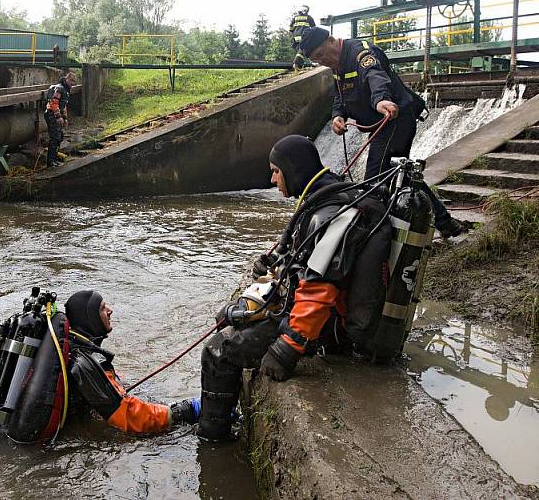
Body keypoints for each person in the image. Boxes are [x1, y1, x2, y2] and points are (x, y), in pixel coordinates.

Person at [198, 135, 393, 441]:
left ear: (293, 169)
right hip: (315, 314)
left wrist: (288, 348)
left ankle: (212, 439)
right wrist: (275, 260)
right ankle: (225, 415)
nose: (272, 178)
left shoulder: (329, 213)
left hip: (326, 327)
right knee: (229, 315)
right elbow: (307, 255)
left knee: (219, 351)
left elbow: (320, 289)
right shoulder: (325, 196)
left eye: (276, 171)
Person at [297, 27, 466, 238]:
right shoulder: (336, 64)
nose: (322, 62)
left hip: (394, 120)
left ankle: (371, 235)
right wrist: (337, 115)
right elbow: (340, 94)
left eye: (321, 55)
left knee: (373, 181)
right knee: (400, 174)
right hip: (380, 125)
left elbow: (375, 75)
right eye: (317, 60)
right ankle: (445, 222)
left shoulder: (361, 52)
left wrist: (381, 99)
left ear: (331, 40)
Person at [65, 290, 200, 434]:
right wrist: (184, 411)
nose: (110, 311)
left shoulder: (76, 349)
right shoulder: (85, 363)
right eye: (103, 308)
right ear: (90, 318)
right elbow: (129, 417)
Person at [44, 72, 76, 168]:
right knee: (54, 138)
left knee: (59, 137)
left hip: (57, 114)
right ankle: (50, 162)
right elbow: (54, 103)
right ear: (67, 79)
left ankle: (55, 159)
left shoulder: (66, 90)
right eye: (71, 81)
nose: (72, 83)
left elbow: (63, 105)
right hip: (51, 114)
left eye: (74, 82)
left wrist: (65, 118)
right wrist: (58, 117)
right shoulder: (59, 88)